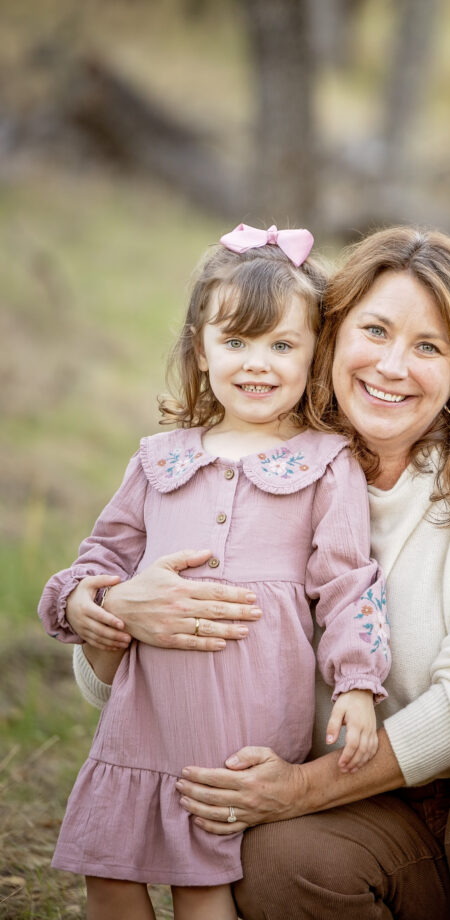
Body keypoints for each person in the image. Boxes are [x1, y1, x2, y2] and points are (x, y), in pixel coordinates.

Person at [69, 226, 450, 920]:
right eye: (374, 330)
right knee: (275, 863)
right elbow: (111, 692)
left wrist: (298, 790)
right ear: (327, 339)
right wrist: (121, 611)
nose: (393, 366)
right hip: (373, 810)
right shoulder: (266, 475)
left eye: (428, 347)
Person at [38, 224, 391, 920]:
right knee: (108, 874)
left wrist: (356, 682)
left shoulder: (326, 463)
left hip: (242, 726)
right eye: (235, 342)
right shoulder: (160, 458)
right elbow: (102, 557)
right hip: (143, 720)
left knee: (204, 885)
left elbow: (350, 583)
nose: (256, 364)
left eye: (281, 345)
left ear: (315, 354)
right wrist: (83, 600)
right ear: (199, 349)